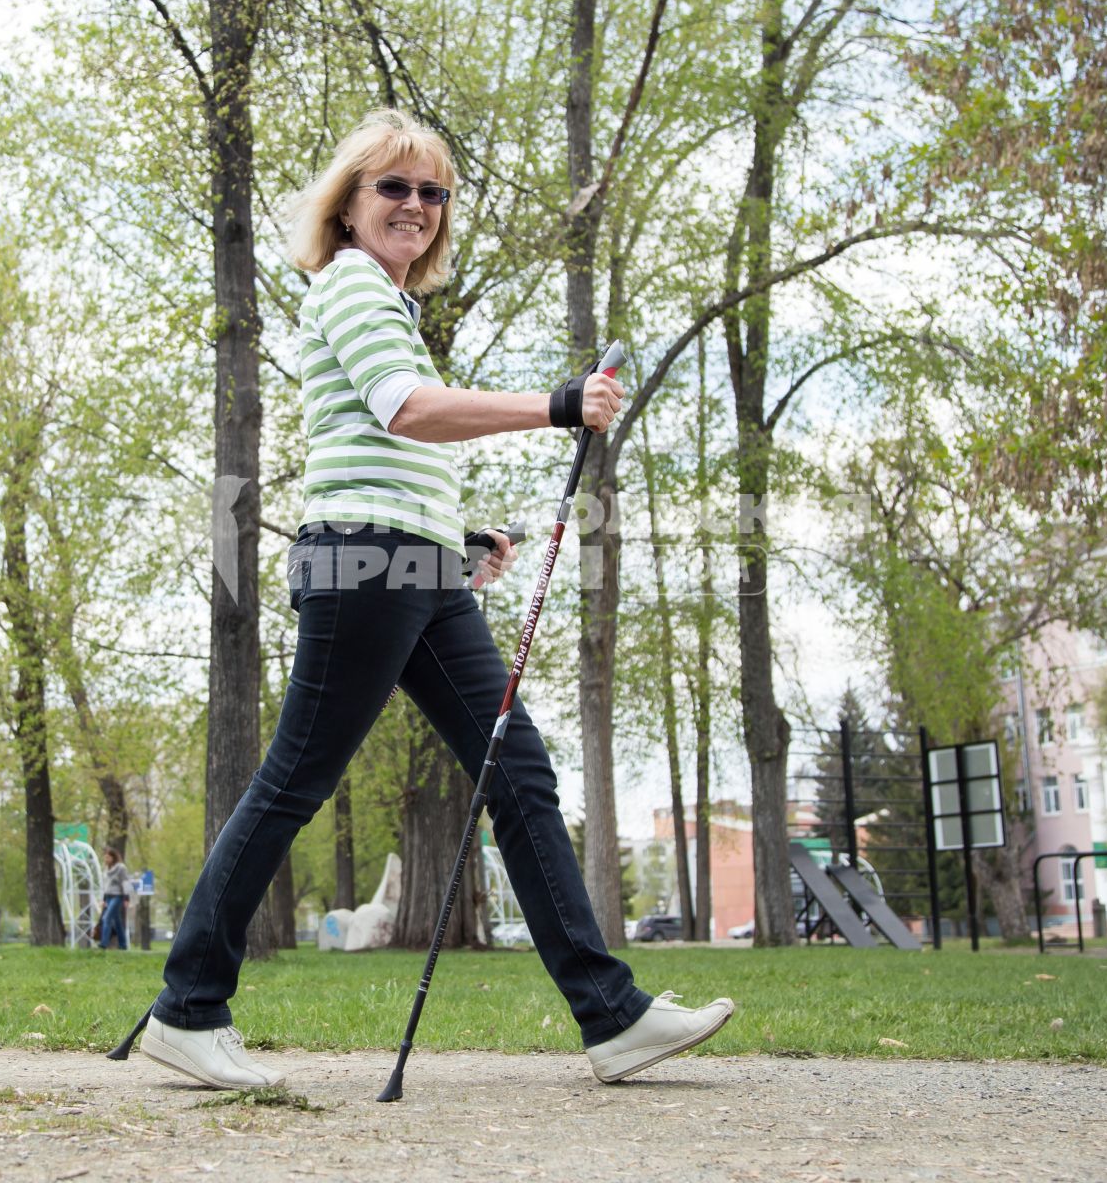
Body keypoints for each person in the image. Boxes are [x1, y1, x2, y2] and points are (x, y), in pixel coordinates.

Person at [139, 109, 734, 1092]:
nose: (415, 206)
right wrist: (553, 404)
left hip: (415, 567)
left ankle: (612, 1013)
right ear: (350, 205)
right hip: (364, 564)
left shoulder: (392, 305)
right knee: (294, 778)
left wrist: (460, 542)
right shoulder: (351, 287)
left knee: (518, 767)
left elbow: (385, 446)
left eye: (432, 193)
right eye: (394, 188)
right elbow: (405, 409)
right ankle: (187, 1005)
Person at [99, 847, 130, 951]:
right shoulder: (106, 870)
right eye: (105, 857)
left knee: (106, 918)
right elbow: (105, 886)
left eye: (108, 857)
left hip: (117, 896)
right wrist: (103, 899)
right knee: (117, 922)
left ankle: (103, 944)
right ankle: (123, 945)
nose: (106, 859)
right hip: (108, 897)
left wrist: (126, 898)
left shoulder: (121, 868)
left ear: (113, 857)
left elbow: (125, 882)